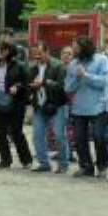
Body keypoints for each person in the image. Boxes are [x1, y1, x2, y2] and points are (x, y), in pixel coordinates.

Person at [65, 35, 108, 178]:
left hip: (98, 106)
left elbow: (104, 82)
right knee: (79, 138)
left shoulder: (102, 60)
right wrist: (78, 79)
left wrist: (86, 75)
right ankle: (86, 167)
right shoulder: (73, 64)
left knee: (99, 137)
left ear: (85, 47)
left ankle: (102, 166)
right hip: (79, 107)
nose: (74, 51)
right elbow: (68, 88)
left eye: (76, 48)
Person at [27, 44, 70, 174]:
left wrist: (44, 83)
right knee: (37, 135)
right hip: (40, 106)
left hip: (57, 106)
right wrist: (31, 88)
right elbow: (29, 86)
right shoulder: (32, 68)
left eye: (40, 53)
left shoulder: (58, 66)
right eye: (34, 54)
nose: (37, 56)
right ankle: (44, 163)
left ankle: (63, 164)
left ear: (47, 51)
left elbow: (62, 87)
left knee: (59, 135)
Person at [0, 42, 32, 169]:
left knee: (16, 132)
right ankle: (5, 159)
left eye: (3, 50)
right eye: (0, 50)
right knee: (0, 132)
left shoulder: (20, 65)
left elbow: (26, 82)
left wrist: (17, 86)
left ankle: (26, 160)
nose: (1, 53)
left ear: (10, 52)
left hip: (16, 102)